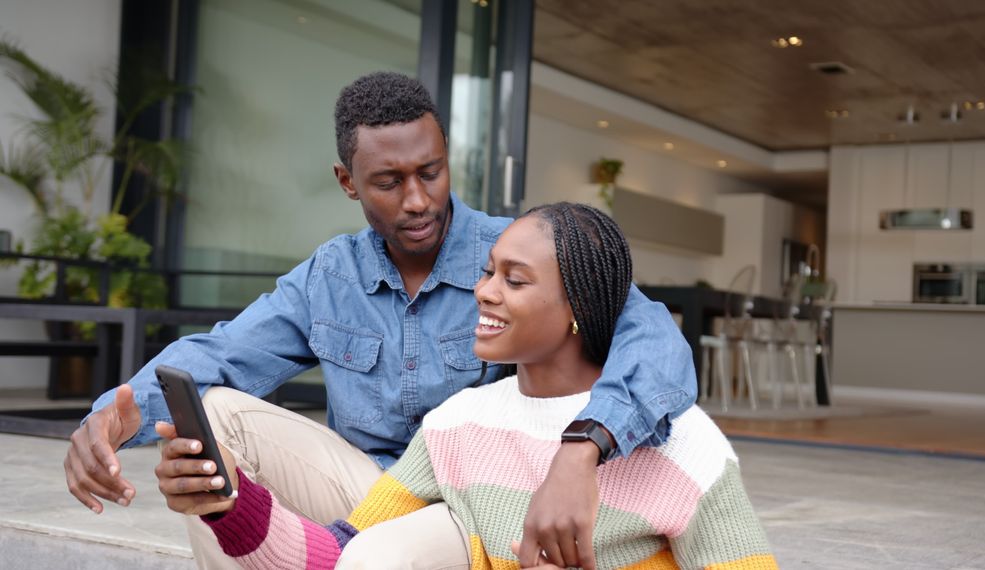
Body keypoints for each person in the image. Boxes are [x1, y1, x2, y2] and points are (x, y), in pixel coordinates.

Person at [64, 72, 696, 568]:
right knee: (213, 422)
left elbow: (655, 339)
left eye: (431, 172)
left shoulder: (522, 251)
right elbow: (223, 354)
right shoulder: (329, 277)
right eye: (389, 182)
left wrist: (582, 448)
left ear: (447, 156)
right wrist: (109, 419)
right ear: (348, 182)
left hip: (482, 504)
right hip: (370, 498)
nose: (418, 199)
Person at [155, 202, 777, 569]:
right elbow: (338, 557)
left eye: (515, 279)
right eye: (487, 273)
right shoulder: (459, 424)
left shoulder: (682, 444)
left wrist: (580, 451)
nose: (483, 291)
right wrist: (233, 506)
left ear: (576, 310)